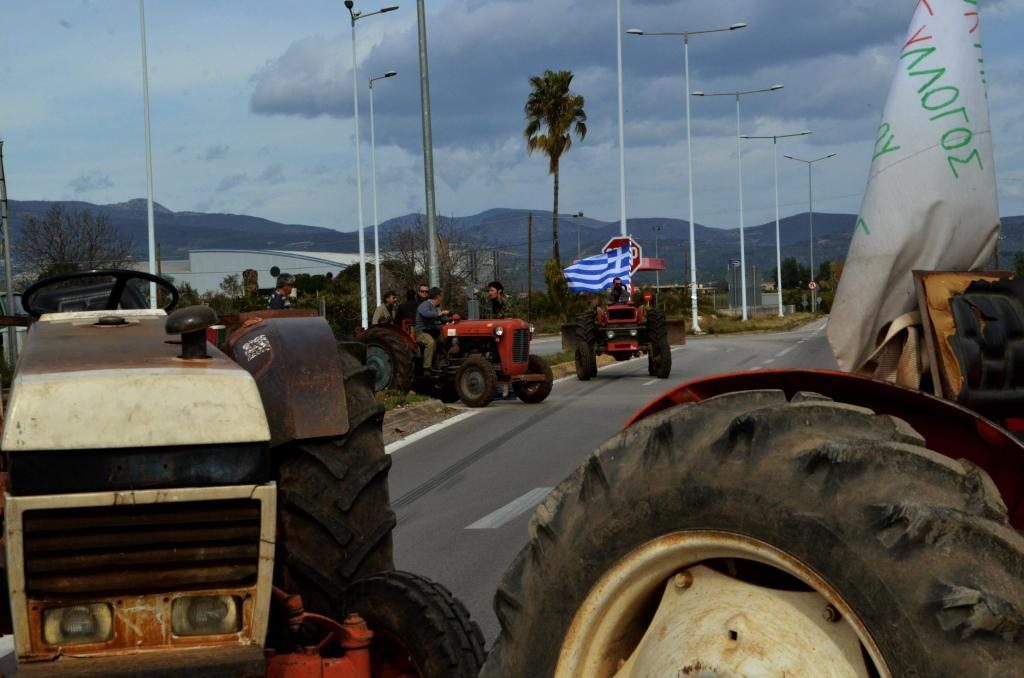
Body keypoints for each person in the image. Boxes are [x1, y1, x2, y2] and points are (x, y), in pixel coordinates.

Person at [415, 287, 450, 372]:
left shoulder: (435, 307)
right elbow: (427, 314)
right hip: (421, 332)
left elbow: (441, 318)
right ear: (437, 297)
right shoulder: (424, 305)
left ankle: (443, 362)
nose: (442, 299)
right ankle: (427, 368)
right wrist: (440, 313)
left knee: (445, 340)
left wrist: (451, 319)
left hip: (431, 331)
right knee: (430, 342)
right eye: (441, 296)